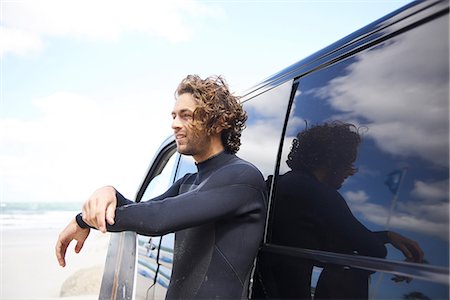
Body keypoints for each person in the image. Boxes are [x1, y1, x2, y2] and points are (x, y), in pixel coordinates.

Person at [55, 75, 268, 299]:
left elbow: (158, 219)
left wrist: (83, 220)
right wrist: (109, 192)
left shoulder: (242, 177)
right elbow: (140, 209)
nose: (174, 123)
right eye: (174, 116)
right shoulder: (188, 182)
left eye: (186, 115)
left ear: (218, 122)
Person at [252, 121, 424, 299]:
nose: (350, 171)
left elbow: (334, 239)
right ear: (333, 161)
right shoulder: (317, 193)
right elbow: (373, 249)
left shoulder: (277, 185)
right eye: (348, 163)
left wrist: (387, 235)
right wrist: (387, 244)